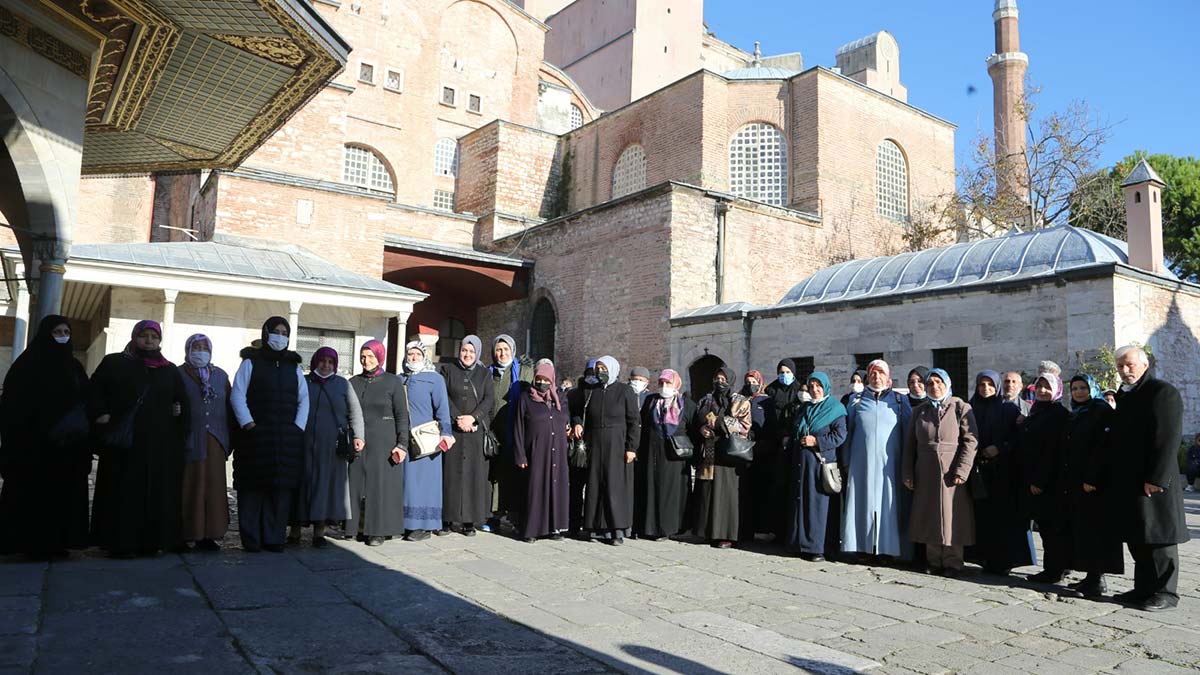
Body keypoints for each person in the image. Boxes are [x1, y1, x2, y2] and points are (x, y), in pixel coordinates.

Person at [89, 320, 188, 557]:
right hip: (125, 445)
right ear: (135, 337)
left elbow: (180, 400)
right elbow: (94, 391)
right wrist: (101, 414)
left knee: (152, 494)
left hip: (156, 446)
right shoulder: (115, 363)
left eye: (154, 337)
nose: (149, 341)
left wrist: (178, 412)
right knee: (122, 494)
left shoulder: (168, 369)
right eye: (144, 335)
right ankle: (120, 543)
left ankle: (149, 542)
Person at [0, 315, 91, 558]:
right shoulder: (27, 365)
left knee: (61, 499)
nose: (63, 336)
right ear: (45, 334)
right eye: (57, 331)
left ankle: (57, 544)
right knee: (34, 497)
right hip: (34, 447)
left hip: (67, 448)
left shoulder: (74, 367)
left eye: (66, 331)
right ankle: (28, 545)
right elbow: (12, 405)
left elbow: (86, 399)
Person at [1110, 345, 1187, 612]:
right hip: (1130, 480)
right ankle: (1143, 588)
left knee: (1160, 537)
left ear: (1144, 365)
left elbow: (1167, 439)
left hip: (1154, 480)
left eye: (1130, 365)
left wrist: (1157, 477)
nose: (1125, 370)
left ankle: (1166, 592)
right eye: (1120, 366)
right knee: (1138, 535)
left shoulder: (1162, 392)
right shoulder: (1126, 395)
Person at [230, 317, 308, 553]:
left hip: (286, 438)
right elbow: (237, 395)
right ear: (266, 333)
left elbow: (303, 399)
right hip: (255, 437)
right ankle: (252, 539)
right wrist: (248, 424)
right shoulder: (250, 362)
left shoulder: (293, 366)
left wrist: (297, 427)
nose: (280, 336)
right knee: (252, 489)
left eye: (285, 332)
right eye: (276, 331)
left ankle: (274, 538)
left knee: (279, 490)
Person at [902, 368, 978, 577]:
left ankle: (953, 561)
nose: (934, 387)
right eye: (930, 383)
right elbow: (909, 445)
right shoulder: (920, 411)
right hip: (925, 471)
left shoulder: (960, 407)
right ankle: (934, 560)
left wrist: (963, 469)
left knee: (952, 515)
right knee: (930, 515)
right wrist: (907, 472)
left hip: (951, 470)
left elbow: (970, 441)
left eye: (939, 382)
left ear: (947, 384)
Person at [289, 347, 364, 548]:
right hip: (303, 445)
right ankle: (294, 531)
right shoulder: (303, 382)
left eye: (331, 362)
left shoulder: (342, 384)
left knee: (325, 486)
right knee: (300, 486)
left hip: (331, 448)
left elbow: (355, 412)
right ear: (315, 362)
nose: (326, 365)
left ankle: (319, 533)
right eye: (323, 361)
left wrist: (358, 436)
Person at [1057, 373, 1123, 597]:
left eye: (1083, 388)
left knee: (1096, 531)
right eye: (1074, 389)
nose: (1078, 392)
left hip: (1094, 484)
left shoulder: (1100, 411)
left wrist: (1093, 478)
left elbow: (1104, 448)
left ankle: (1098, 580)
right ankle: (1091, 577)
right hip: (1077, 482)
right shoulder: (1076, 413)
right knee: (1083, 530)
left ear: (1092, 388)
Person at [964, 370, 1033, 576]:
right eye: (982, 385)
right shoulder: (969, 408)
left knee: (1001, 518)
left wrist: (1000, 448)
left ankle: (1003, 561)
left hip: (1003, 472)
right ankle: (982, 558)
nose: (986, 389)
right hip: (978, 472)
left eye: (990, 385)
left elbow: (1018, 438)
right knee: (981, 517)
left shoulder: (1009, 409)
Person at [842, 360, 911, 560]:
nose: (877, 377)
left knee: (888, 504)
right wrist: (846, 460)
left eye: (881, 373)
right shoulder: (856, 400)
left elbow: (907, 433)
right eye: (873, 373)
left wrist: (906, 464)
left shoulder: (899, 401)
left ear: (888, 377)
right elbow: (849, 430)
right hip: (860, 463)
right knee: (861, 503)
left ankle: (887, 549)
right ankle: (862, 547)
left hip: (889, 464)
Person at [347, 340, 410, 546]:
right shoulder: (353, 382)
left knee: (379, 487)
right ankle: (354, 527)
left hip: (384, 441)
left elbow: (402, 416)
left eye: (371, 356)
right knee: (355, 484)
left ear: (380, 357)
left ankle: (377, 531)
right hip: (359, 440)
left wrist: (402, 444)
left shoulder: (393, 382)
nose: (366, 361)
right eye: (363, 357)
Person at [573, 356, 639, 544]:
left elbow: (634, 421)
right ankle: (594, 528)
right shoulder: (590, 391)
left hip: (617, 446)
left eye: (604, 368)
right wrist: (577, 423)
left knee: (614, 487)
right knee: (594, 486)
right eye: (598, 368)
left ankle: (615, 530)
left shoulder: (625, 391)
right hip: (594, 444)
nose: (600, 371)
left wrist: (632, 447)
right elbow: (578, 411)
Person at [784, 372, 847, 561]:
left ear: (826, 387)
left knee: (819, 506)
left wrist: (816, 441)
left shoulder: (836, 409)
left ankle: (818, 548)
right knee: (800, 503)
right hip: (802, 465)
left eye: (818, 386)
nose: (814, 390)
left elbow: (840, 435)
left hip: (821, 465)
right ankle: (799, 544)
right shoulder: (805, 408)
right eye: (811, 386)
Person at [178, 334, 233, 551]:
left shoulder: (220, 375)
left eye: (204, 347)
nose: (200, 351)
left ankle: (209, 535)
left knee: (213, 487)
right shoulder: (179, 373)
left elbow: (229, 407)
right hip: (190, 439)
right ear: (188, 349)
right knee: (190, 486)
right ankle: (186, 533)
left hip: (215, 440)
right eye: (196, 347)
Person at [1018, 373, 1071, 586]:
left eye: (1046, 387)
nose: (1042, 391)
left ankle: (1054, 570)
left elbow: (1053, 451)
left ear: (1056, 389)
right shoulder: (1037, 411)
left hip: (1049, 482)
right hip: (1036, 478)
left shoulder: (1058, 414)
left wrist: (1040, 480)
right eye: (1038, 387)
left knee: (1052, 528)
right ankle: (1057, 567)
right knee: (1047, 527)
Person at [438, 335, 494, 536]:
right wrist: (457, 418)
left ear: (477, 353)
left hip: (474, 432)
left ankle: (469, 521)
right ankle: (447, 519)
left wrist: (473, 418)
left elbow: (489, 399)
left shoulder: (484, 374)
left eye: (471, 351)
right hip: (453, 430)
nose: (467, 354)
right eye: (464, 350)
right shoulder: (448, 370)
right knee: (449, 475)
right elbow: (442, 395)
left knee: (473, 476)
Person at [400, 341, 455, 541]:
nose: (413, 358)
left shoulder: (435, 379)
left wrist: (445, 434)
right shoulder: (400, 379)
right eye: (410, 354)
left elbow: (442, 410)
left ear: (424, 356)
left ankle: (425, 526)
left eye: (417, 354)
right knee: (407, 484)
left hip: (427, 440)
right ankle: (406, 523)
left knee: (425, 484)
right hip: (405, 439)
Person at [691, 367, 750, 548]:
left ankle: (725, 534)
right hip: (708, 452)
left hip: (728, 454)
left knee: (725, 494)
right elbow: (696, 421)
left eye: (724, 378)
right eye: (717, 378)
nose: (720, 382)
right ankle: (706, 531)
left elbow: (744, 427)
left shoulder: (740, 401)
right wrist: (702, 429)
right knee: (707, 491)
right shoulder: (706, 399)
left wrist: (717, 423)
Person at [633, 369, 695, 541]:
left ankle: (669, 528)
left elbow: (693, 428)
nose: (664, 387)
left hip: (675, 457)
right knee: (651, 489)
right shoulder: (651, 401)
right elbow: (643, 425)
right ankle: (649, 527)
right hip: (651, 453)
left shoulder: (685, 404)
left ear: (676, 384)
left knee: (671, 492)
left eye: (668, 383)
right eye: (661, 383)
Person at [513, 361, 570, 542]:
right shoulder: (526, 398)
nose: (542, 382)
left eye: (546, 379)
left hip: (557, 452)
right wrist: (520, 454)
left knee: (556, 488)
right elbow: (519, 428)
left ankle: (555, 528)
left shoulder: (560, 399)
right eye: (539, 379)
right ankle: (532, 530)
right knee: (536, 490)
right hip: (536, 452)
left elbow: (565, 420)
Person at [488, 334, 532, 532]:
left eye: (506, 349)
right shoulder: (488, 373)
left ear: (512, 351)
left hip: (517, 430)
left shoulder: (524, 372)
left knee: (515, 474)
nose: (502, 353)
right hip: (493, 431)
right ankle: (495, 514)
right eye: (499, 349)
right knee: (494, 474)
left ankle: (515, 515)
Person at [764, 359, 805, 537]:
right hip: (775, 445)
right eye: (781, 371)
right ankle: (777, 530)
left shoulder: (800, 391)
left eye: (788, 372)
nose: (784, 375)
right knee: (776, 488)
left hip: (794, 445)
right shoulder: (771, 391)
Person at [566, 359, 599, 537]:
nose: (592, 377)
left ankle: (590, 525)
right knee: (576, 488)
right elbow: (569, 412)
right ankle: (573, 525)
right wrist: (575, 423)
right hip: (578, 447)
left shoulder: (602, 392)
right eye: (590, 373)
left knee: (594, 488)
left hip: (596, 446)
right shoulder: (574, 393)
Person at [741, 369, 775, 541]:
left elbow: (771, 424)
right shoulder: (740, 399)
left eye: (754, 382)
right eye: (748, 382)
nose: (751, 385)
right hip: (743, 451)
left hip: (763, 451)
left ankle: (762, 526)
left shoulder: (767, 401)